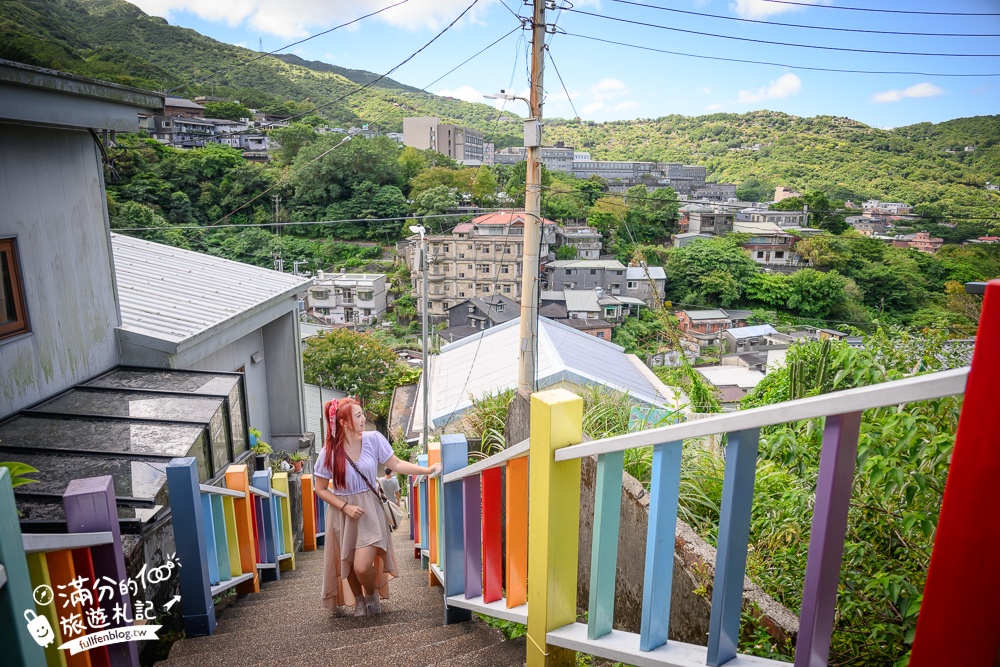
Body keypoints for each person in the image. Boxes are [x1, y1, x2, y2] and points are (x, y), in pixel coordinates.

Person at [314, 398, 440, 617]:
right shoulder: (329, 452)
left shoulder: (373, 440)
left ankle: (371, 593)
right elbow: (320, 488)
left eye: (363, 414)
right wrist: (345, 507)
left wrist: (427, 470)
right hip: (342, 512)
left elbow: (397, 464)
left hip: (369, 510)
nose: (364, 419)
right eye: (358, 416)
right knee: (348, 561)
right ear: (343, 422)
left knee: (362, 565)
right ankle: (359, 601)